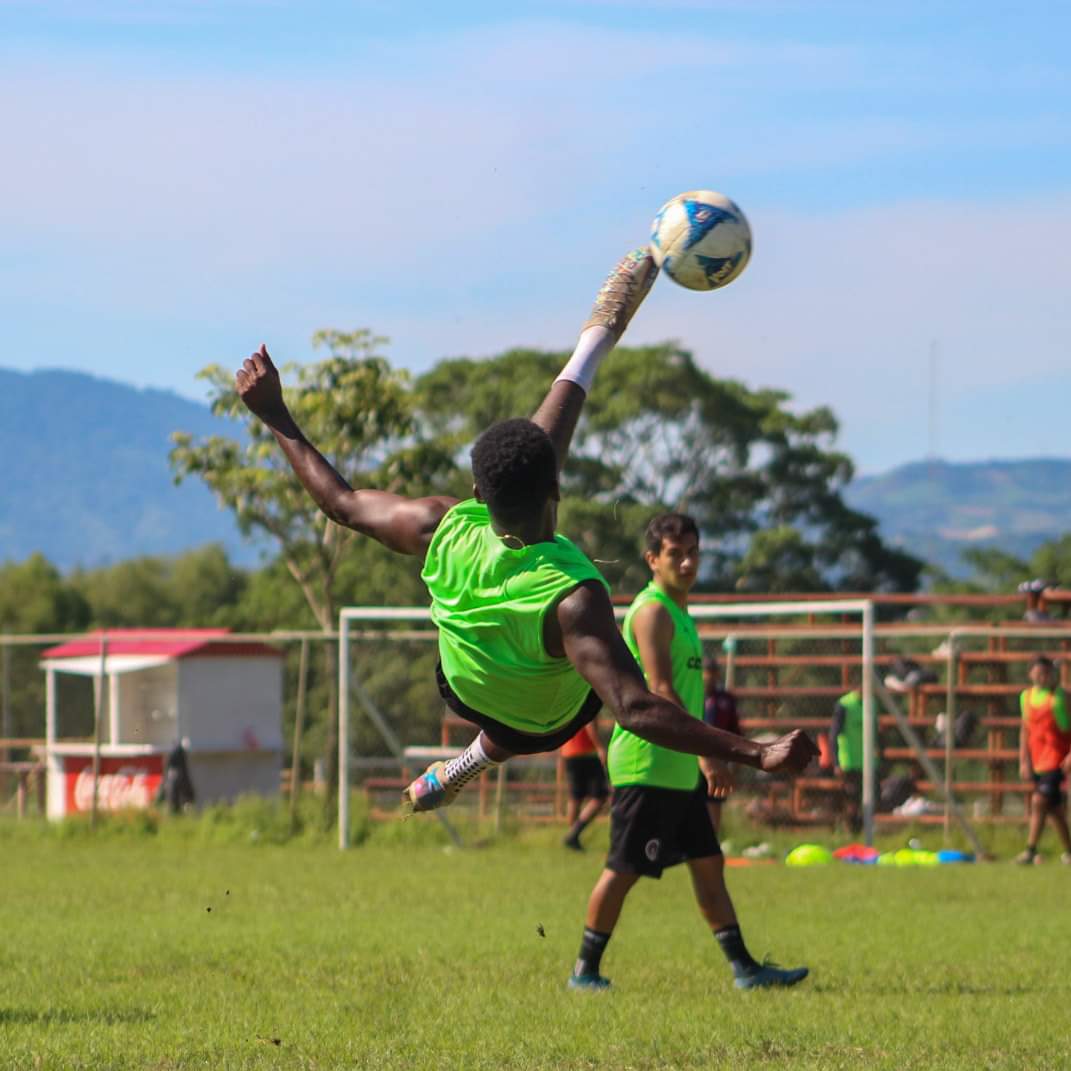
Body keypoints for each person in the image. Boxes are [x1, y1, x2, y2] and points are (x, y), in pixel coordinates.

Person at [235, 248, 817, 816]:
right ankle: (472, 759)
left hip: (461, 686)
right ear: (557, 491)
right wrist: (757, 753)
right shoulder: (574, 598)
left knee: (519, 642)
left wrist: (275, 415)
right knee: (563, 689)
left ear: (479, 493)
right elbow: (636, 709)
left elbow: (342, 502)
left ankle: (459, 766)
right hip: (542, 719)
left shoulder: (443, 524)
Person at [568, 514, 809, 992]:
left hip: (677, 769)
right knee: (623, 870)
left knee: (708, 864)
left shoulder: (680, 613)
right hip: (649, 763)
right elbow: (659, 691)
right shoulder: (653, 611)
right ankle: (584, 971)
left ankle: (745, 970)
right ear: (652, 558)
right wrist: (708, 755)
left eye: (694, 551)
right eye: (675, 553)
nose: (687, 560)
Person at [1016, 655, 1071, 865]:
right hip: (1037, 759)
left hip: (1057, 759)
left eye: (1046, 673)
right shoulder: (1026, 697)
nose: (1042, 677)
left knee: (1039, 801)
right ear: (1030, 674)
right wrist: (1023, 761)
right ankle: (1069, 851)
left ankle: (1030, 850)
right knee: (1054, 810)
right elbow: (1025, 730)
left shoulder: (1062, 696)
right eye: (1038, 673)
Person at [830, 674, 878, 834]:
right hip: (849, 761)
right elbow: (834, 734)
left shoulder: (871, 704)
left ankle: (864, 831)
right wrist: (836, 762)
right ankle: (851, 831)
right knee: (852, 799)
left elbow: (876, 732)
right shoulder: (844, 705)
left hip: (868, 761)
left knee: (871, 798)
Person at [701, 655, 740, 835]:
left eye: (712, 673)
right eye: (705, 673)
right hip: (693, 756)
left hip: (717, 758)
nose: (708, 677)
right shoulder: (692, 696)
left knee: (714, 798)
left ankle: (712, 839)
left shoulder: (726, 700)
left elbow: (735, 729)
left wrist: (736, 758)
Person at [560, 722, 609, 851]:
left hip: (568, 751)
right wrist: (600, 747)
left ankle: (572, 837)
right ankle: (573, 835)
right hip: (587, 753)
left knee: (575, 797)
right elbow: (590, 724)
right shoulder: (591, 701)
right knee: (600, 797)